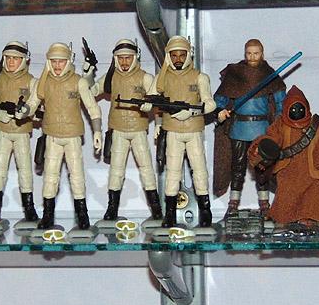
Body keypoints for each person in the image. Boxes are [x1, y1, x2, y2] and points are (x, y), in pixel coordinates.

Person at [18, 42, 102, 230]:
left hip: (72, 136)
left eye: (61, 61)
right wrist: (24, 111)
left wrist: (97, 131)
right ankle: (47, 216)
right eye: (54, 61)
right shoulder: (44, 82)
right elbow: (33, 102)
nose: (57, 65)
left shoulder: (79, 81)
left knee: (77, 176)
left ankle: (82, 215)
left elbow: (93, 108)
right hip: (52, 136)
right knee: (50, 177)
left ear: (68, 61)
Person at [248, 86, 319, 227]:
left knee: (315, 196)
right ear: (286, 109)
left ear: (306, 108)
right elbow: (271, 139)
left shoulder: (316, 126)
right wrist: (260, 149)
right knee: (286, 197)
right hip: (288, 170)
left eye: (300, 108)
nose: (297, 111)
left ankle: (314, 219)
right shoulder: (280, 125)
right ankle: (283, 220)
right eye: (293, 108)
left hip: (311, 171)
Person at [149, 35, 218, 228]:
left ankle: (205, 211)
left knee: (200, 171)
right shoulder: (162, 78)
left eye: (182, 55)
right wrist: (157, 121)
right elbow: (152, 99)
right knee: (172, 173)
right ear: (168, 56)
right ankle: (170, 213)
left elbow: (210, 104)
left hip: (194, 130)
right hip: (172, 131)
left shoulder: (200, 77)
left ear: (188, 55)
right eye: (174, 55)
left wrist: (191, 111)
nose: (178, 59)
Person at [213, 39, 285, 217]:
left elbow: (280, 102)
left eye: (256, 53)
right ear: (245, 53)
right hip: (239, 128)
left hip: (261, 129)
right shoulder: (235, 74)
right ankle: (233, 204)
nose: (252, 57)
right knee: (237, 168)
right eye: (249, 53)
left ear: (262, 53)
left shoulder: (269, 75)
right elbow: (220, 98)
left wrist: (277, 123)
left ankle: (264, 204)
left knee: (262, 168)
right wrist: (220, 110)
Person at [93, 38, 161, 222]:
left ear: (135, 57)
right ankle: (112, 208)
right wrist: (87, 72)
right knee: (116, 171)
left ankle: (156, 208)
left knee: (147, 169)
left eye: (128, 58)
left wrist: (158, 123)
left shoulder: (145, 77)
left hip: (138, 129)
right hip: (118, 130)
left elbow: (157, 101)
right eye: (121, 58)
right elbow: (90, 91)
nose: (124, 62)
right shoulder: (111, 77)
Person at [0, 40, 39, 224]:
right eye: (8, 58)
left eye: (16, 58)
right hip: (2, 131)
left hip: (21, 132)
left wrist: (25, 112)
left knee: (25, 171)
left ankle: (29, 209)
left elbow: (36, 108)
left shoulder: (32, 82)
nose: (12, 62)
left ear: (24, 60)